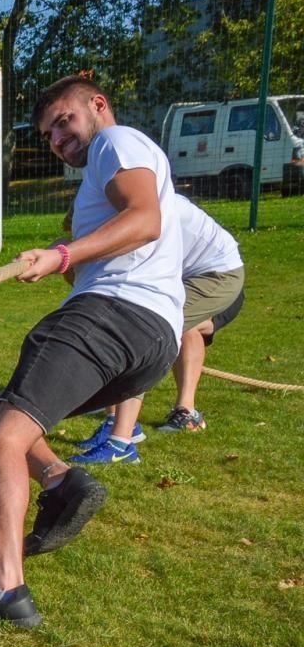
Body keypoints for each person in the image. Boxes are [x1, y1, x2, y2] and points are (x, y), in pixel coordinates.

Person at [0, 75, 183, 627]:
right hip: (154, 338)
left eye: (64, 121)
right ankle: (65, 483)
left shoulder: (117, 143)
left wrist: (62, 255)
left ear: (98, 105)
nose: (59, 138)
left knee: (4, 436)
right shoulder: (111, 163)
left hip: (113, 317)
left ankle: (3, 590)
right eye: (49, 134)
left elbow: (145, 220)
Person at [68, 194, 243, 461]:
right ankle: (118, 423)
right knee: (128, 329)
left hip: (215, 275)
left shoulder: (146, 212)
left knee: (144, 336)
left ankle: (122, 443)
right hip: (182, 271)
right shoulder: (115, 206)